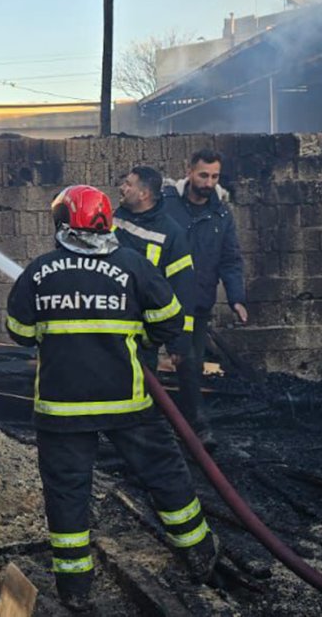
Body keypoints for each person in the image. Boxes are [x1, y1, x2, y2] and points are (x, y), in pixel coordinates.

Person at [7, 184, 219, 612]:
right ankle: (199, 553)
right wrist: (138, 337)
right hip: (127, 403)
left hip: (61, 410)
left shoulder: (38, 271)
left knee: (67, 494)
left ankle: (75, 588)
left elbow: (21, 333)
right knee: (163, 473)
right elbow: (171, 321)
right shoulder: (133, 266)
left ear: (64, 222)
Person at [162, 149, 248, 450]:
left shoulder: (221, 214)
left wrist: (237, 297)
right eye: (203, 175)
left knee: (191, 364)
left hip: (196, 303)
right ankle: (141, 425)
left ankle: (195, 426)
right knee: (141, 362)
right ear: (189, 171)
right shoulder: (167, 204)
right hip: (158, 300)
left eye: (214, 176)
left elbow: (230, 258)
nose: (209, 182)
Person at [112, 166, 203, 441]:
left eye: (128, 184)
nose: (121, 187)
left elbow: (183, 289)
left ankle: (144, 440)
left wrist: (179, 342)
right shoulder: (111, 219)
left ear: (144, 193)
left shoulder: (171, 234)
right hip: (109, 322)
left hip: (143, 334)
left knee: (141, 392)